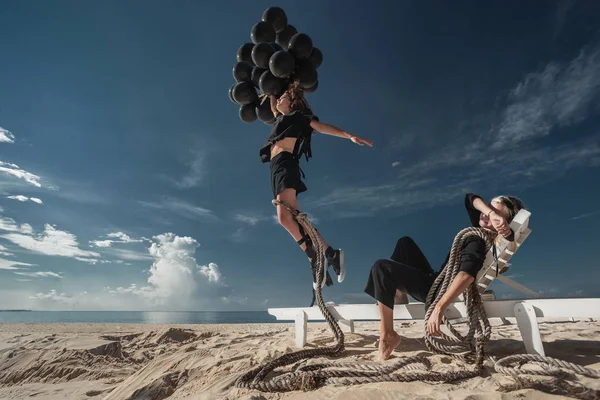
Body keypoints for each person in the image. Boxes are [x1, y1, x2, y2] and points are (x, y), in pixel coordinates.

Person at [364, 193, 526, 360]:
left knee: (381, 268)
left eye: (494, 212)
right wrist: (492, 214)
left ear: (504, 223)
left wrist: (438, 308)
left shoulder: (476, 240)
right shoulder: (479, 229)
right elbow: (470, 199)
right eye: (488, 208)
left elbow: (466, 275)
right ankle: (398, 292)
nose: (485, 212)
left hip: (435, 291)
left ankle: (388, 335)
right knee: (404, 244)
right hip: (436, 279)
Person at [260, 81, 373, 295]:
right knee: (292, 218)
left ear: (293, 103)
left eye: (285, 96)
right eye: (281, 96)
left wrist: (349, 135)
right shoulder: (280, 119)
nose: (280, 98)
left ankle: (317, 259)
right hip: (276, 169)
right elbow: (273, 101)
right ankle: (329, 254)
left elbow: (323, 127)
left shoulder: (299, 118)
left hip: (286, 164)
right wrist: (271, 87)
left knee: (287, 217)